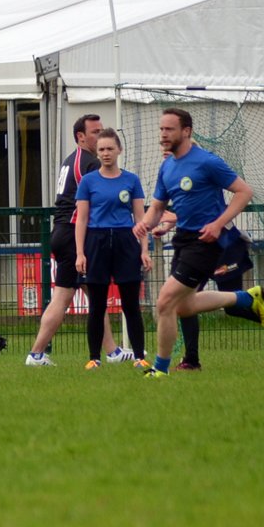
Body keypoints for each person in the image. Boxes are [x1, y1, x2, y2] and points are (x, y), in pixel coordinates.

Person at [133, 108, 264, 377]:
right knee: (183, 307)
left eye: (169, 129)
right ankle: (245, 298)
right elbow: (157, 207)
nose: (163, 134)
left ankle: (160, 370)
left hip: (206, 241)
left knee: (164, 301)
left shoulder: (207, 161)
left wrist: (218, 223)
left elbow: (244, 192)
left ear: (186, 131)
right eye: (161, 129)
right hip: (183, 240)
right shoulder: (167, 166)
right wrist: (146, 223)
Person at [26, 113, 126, 367]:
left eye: (102, 130)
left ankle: (113, 352)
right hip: (73, 236)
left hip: (63, 233)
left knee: (92, 294)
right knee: (63, 297)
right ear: (81, 136)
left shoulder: (72, 160)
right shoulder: (90, 162)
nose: (101, 136)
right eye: (95, 132)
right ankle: (36, 354)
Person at [73, 128, 152, 371]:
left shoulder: (131, 180)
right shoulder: (88, 181)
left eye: (110, 148)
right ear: (97, 153)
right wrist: (80, 253)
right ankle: (94, 358)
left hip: (125, 241)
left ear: (119, 150)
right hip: (96, 242)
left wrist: (144, 250)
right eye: (101, 149)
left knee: (131, 305)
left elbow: (140, 218)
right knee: (97, 306)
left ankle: (139, 356)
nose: (106, 153)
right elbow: (82, 219)